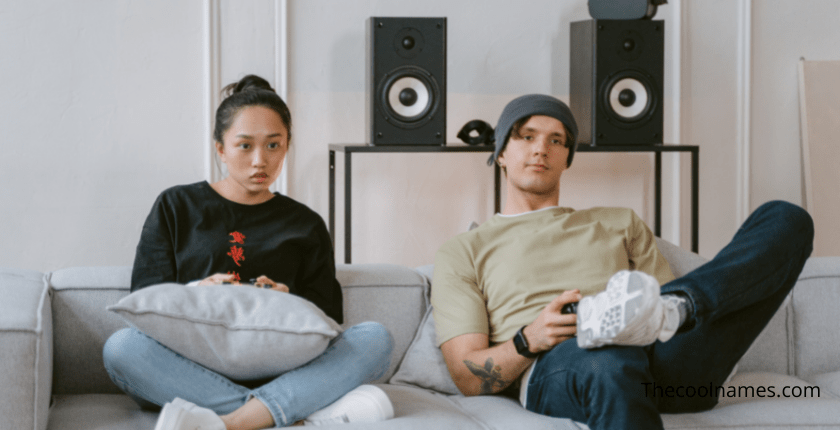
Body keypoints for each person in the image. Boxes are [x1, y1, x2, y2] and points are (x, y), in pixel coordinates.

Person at [431, 94, 814, 430]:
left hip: (665, 359)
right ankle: (607, 323)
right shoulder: (464, 249)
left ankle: (684, 306)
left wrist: (663, 312)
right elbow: (466, 374)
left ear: (567, 158)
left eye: (556, 140)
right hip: (563, 363)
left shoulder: (620, 221)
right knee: (608, 355)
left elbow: (654, 300)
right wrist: (531, 338)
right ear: (499, 153)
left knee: (786, 218)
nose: (540, 149)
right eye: (526, 136)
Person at [103, 75, 395, 430]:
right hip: (190, 369)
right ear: (220, 148)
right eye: (245, 146)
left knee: (375, 339)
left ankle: (231, 422)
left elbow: (329, 320)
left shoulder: (305, 223)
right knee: (122, 348)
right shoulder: (177, 205)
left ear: (287, 145)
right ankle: (282, 414)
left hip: (280, 369)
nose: (260, 161)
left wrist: (289, 298)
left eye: (274, 145)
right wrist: (196, 292)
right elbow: (145, 297)